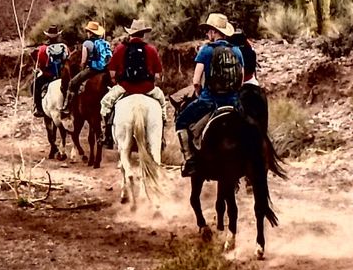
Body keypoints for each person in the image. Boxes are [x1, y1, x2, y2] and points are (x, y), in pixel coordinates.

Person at [174, 13, 246, 176]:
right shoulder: (236, 50)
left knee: (181, 121)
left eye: (208, 31)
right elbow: (240, 81)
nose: (207, 34)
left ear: (214, 32)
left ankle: (190, 160)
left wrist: (200, 94)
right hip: (233, 102)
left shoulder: (206, 50)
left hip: (209, 101)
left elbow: (196, 81)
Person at [99, 19, 164, 144]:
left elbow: (112, 73)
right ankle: (161, 136)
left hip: (125, 87)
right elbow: (157, 75)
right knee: (162, 105)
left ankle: (107, 134)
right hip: (148, 88)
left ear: (130, 33)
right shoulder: (151, 50)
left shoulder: (120, 49)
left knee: (105, 104)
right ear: (143, 34)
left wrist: (115, 82)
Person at [66, 21, 113, 103]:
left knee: (72, 83)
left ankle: (67, 104)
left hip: (93, 69)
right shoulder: (105, 42)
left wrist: (82, 69)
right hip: (105, 69)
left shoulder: (87, 43)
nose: (87, 33)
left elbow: (84, 61)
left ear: (90, 33)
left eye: (88, 32)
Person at [32, 27, 69, 117]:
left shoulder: (43, 49)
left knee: (35, 85)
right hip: (62, 75)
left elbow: (41, 63)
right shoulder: (64, 47)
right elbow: (68, 58)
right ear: (58, 36)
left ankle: (39, 109)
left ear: (48, 36)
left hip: (49, 75)